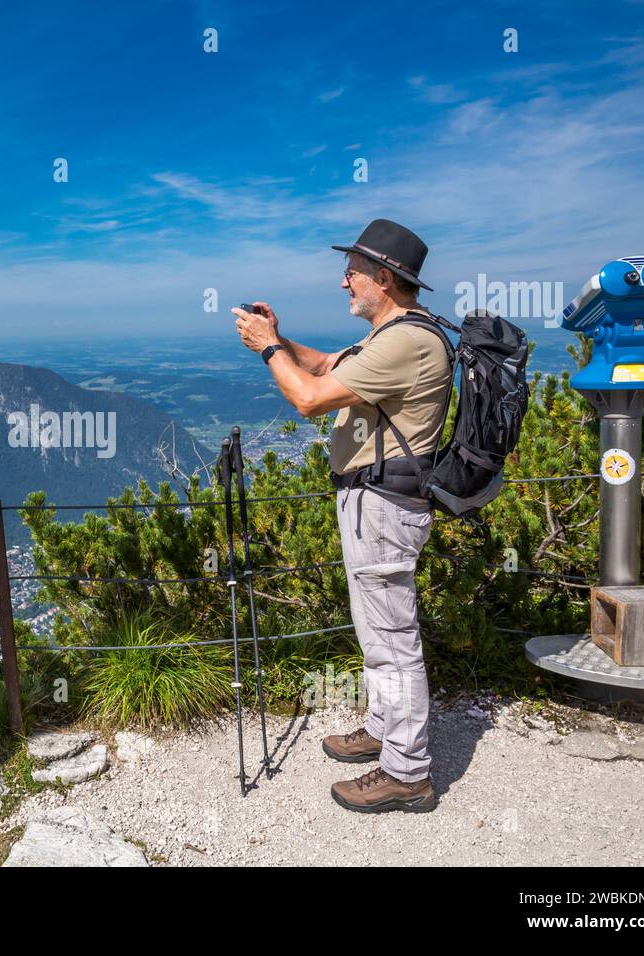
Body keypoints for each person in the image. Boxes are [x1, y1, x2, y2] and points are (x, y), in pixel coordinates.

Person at [232, 218, 451, 813]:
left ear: (384, 278)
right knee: (376, 631)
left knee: (392, 639)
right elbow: (326, 365)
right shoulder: (392, 334)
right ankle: (384, 730)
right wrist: (279, 337)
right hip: (373, 502)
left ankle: (408, 772)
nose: (343, 282)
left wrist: (267, 349)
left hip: (384, 506)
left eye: (352, 272)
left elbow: (307, 397)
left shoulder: (408, 341)